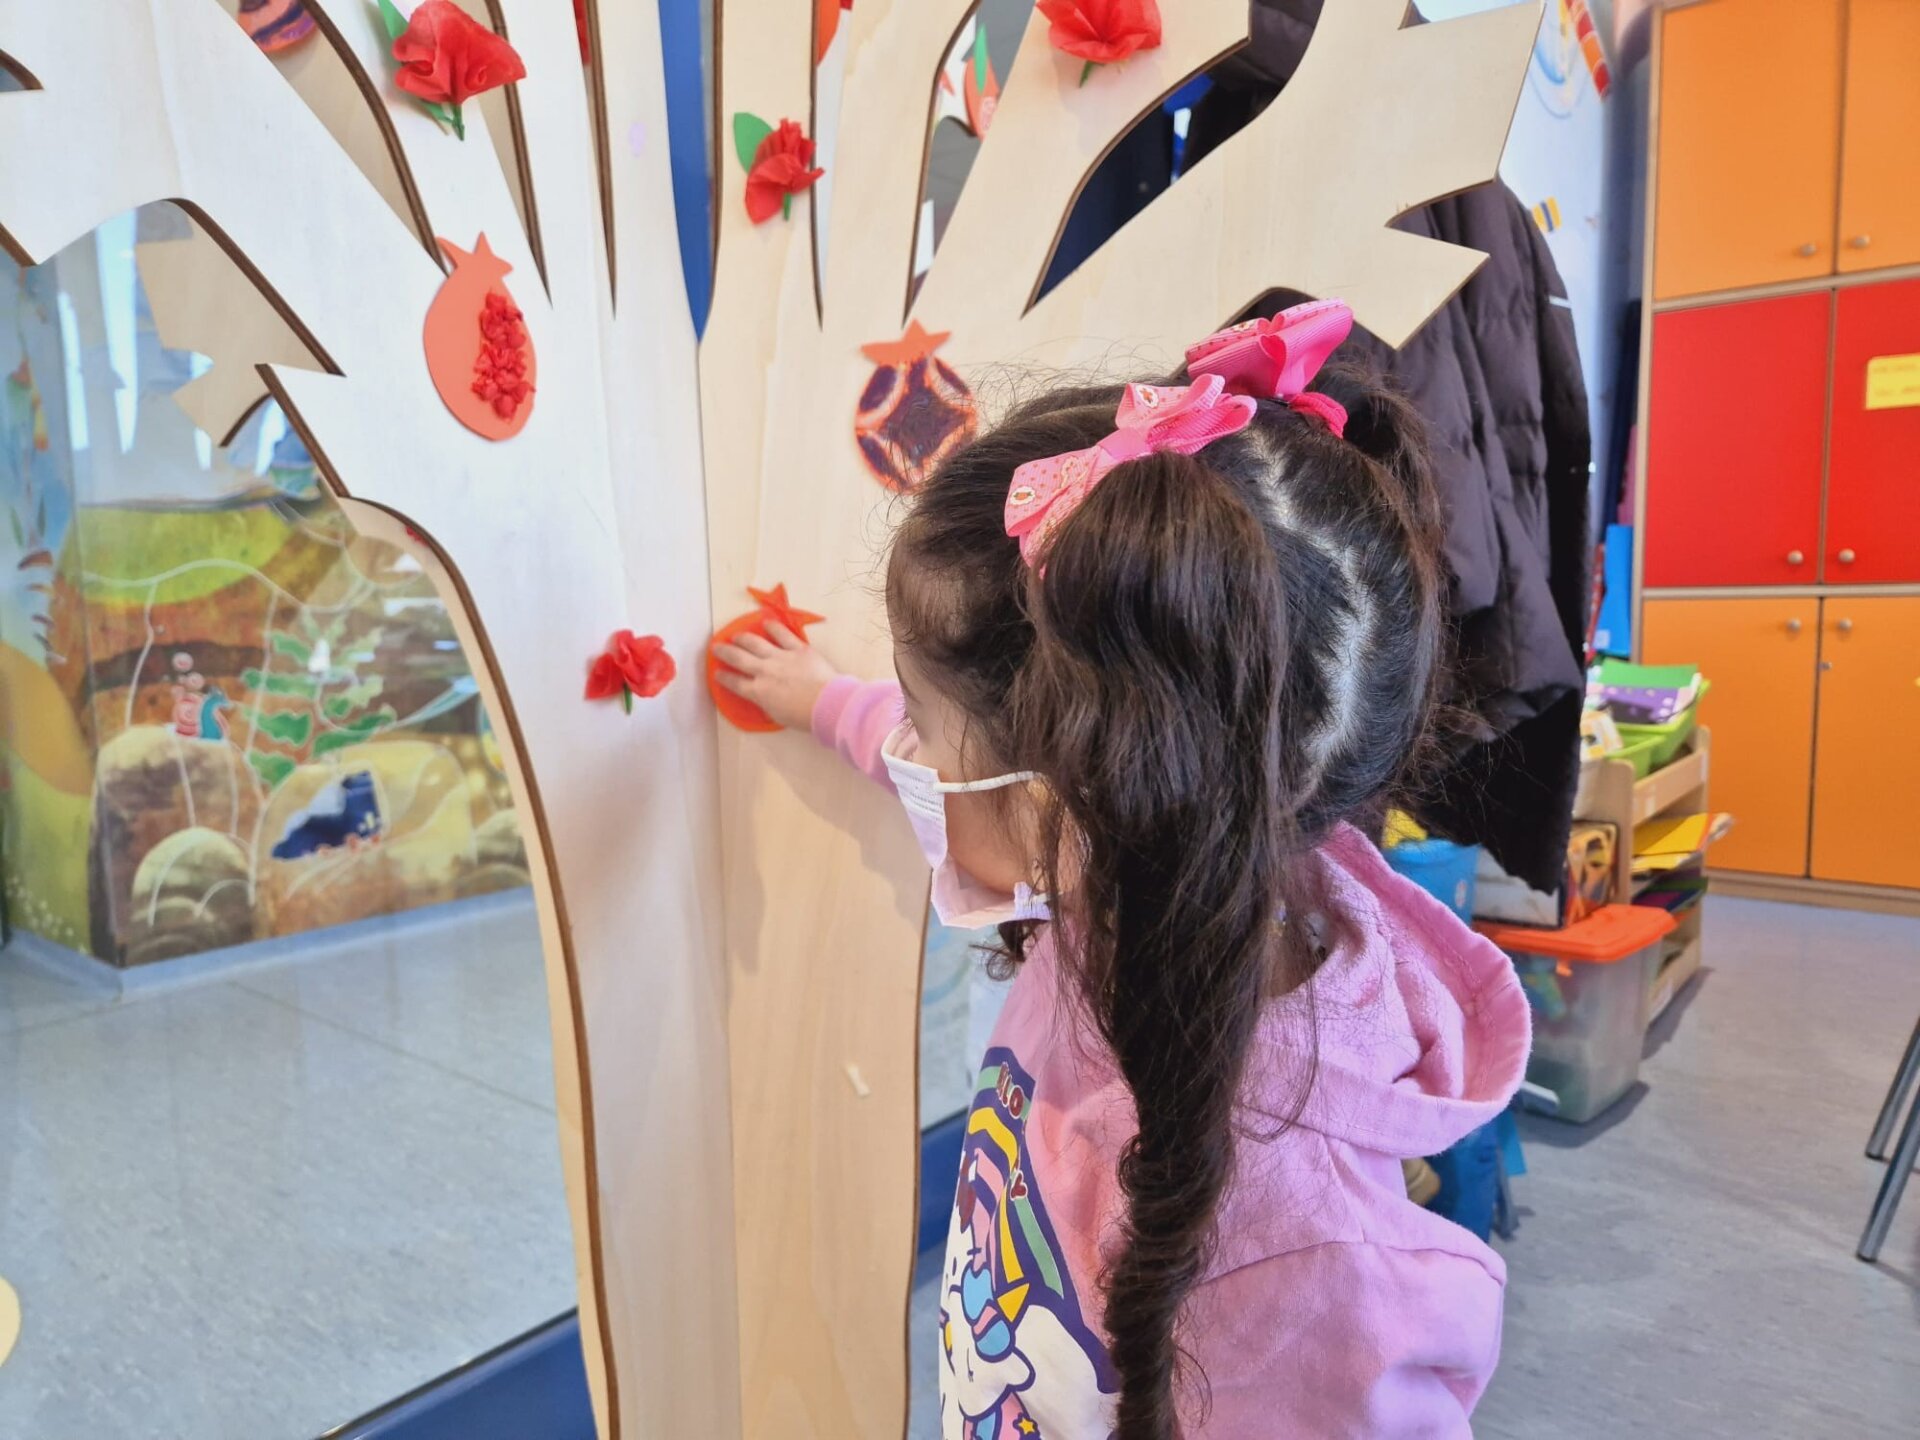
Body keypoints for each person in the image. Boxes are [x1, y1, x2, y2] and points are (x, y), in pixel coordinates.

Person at [712, 302, 1531, 1439]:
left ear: (1076, 791)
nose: (906, 743)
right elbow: (947, 757)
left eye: (925, 718)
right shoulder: (1156, 870)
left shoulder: (1312, 1262)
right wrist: (820, 702)